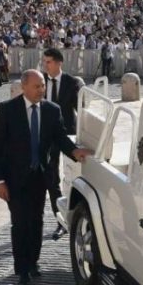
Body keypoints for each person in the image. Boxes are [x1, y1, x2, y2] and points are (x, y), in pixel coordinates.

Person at [0, 69, 92, 285]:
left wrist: (75, 152)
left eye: (43, 85)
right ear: (24, 87)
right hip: (14, 179)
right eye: (36, 86)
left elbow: (60, 138)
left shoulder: (52, 111)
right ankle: (22, 270)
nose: (41, 90)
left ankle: (33, 263)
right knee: (20, 223)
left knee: (36, 222)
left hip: (40, 177)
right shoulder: (8, 110)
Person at [42, 47, 85, 240]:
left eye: (49, 61)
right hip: (47, 137)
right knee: (52, 178)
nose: (46, 65)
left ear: (59, 62)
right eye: (44, 62)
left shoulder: (71, 82)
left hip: (68, 136)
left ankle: (77, 216)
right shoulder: (40, 81)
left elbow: (81, 111)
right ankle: (60, 221)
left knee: (73, 177)